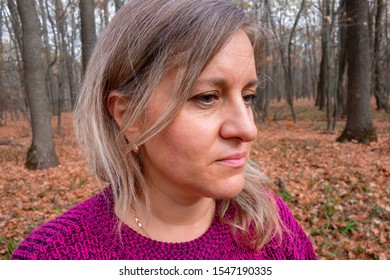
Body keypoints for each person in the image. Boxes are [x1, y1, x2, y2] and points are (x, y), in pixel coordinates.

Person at [12, 0, 316, 260]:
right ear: (129, 116)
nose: (247, 129)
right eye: (206, 97)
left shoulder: (269, 227)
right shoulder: (53, 255)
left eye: (248, 97)